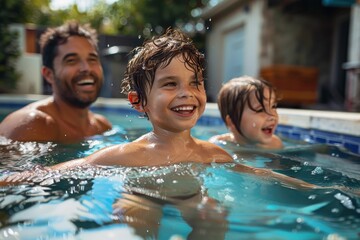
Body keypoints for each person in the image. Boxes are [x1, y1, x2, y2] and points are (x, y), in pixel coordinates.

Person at [1, 28, 345, 239]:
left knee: (214, 217)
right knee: (134, 219)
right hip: (141, 195)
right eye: (169, 84)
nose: (187, 93)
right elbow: (52, 172)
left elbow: (257, 172)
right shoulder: (126, 155)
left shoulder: (211, 153)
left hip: (191, 197)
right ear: (139, 103)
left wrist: (321, 187)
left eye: (195, 83)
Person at [0, 21, 112, 143]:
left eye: (92, 59)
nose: (86, 68)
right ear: (49, 74)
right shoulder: (31, 125)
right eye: (72, 60)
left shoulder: (102, 127)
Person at [209, 76, 283, 149]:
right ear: (232, 122)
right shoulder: (218, 146)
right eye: (260, 110)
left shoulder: (275, 144)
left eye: (273, 107)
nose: (272, 116)